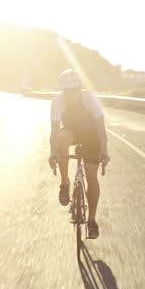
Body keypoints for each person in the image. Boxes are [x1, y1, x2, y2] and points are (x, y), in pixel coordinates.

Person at [48, 69, 110, 239]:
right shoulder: (58, 101)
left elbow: (100, 129)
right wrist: (53, 153)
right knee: (61, 137)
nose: (71, 94)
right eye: (67, 91)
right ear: (63, 91)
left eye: (74, 90)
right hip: (71, 133)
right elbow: (54, 132)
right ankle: (65, 182)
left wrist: (104, 150)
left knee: (91, 176)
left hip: (91, 135)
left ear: (80, 88)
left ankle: (91, 220)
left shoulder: (89, 98)